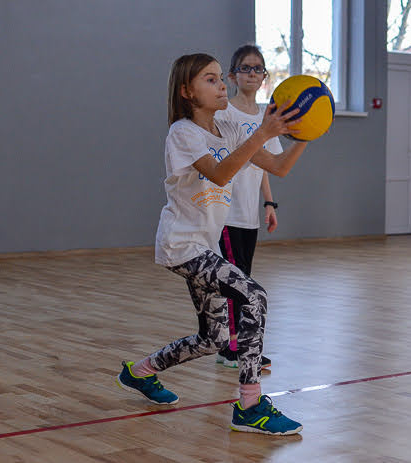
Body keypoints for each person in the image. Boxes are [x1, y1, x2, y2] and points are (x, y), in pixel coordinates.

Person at [115, 53, 307, 435]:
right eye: (210, 79)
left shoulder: (230, 130)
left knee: (213, 338)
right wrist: (262, 134)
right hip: (181, 244)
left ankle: (140, 372)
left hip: (206, 247)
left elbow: (280, 167)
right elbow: (220, 175)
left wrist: (305, 136)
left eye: (221, 78)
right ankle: (250, 404)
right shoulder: (183, 133)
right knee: (253, 295)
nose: (221, 85)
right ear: (187, 92)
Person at [214, 45, 280, 370]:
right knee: (233, 281)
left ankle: (243, 345)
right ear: (232, 75)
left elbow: (265, 164)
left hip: (249, 214)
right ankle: (230, 348)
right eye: (246, 68)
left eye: (258, 69)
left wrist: (268, 202)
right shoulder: (224, 113)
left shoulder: (265, 117)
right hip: (224, 213)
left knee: (246, 279)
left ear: (264, 77)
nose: (252, 74)